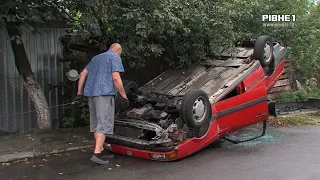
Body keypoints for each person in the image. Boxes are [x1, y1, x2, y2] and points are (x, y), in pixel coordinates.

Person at [76, 43, 129, 165]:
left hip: (92, 95)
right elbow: (116, 77)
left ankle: (101, 149)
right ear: (118, 50)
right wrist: (123, 95)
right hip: (104, 95)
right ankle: (97, 154)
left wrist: (79, 92)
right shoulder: (114, 57)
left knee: (97, 124)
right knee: (103, 124)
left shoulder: (96, 58)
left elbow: (83, 74)